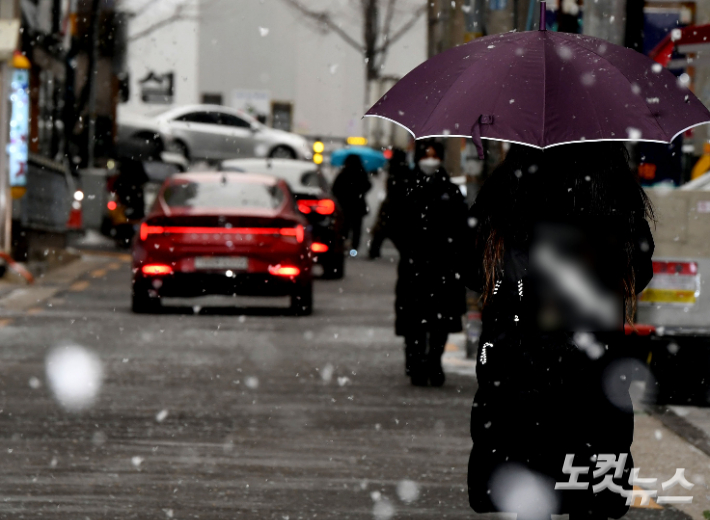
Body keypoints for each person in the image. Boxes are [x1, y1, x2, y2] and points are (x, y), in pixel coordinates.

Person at [465, 142, 655, 520]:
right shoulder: (613, 189)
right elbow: (639, 271)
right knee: (590, 483)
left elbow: (473, 271)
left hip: (518, 364)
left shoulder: (507, 188)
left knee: (526, 484)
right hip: (592, 366)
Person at [388, 141, 468, 386]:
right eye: (427, 155)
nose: (430, 160)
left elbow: (461, 226)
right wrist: (410, 248)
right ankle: (414, 363)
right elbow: (394, 222)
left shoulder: (450, 191)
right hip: (415, 266)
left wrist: (452, 251)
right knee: (414, 319)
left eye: (435, 156)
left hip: (443, 267)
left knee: (439, 320)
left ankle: (434, 361)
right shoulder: (405, 187)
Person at [368, 148, 409, 259]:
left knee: (384, 231)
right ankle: (374, 251)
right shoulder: (404, 169)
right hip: (398, 206)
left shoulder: (396, 169)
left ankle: (374, 252)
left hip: (393, 205)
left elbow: (393, 188)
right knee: (393, 232)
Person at [332, 154, 372, 256]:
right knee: (356, 228)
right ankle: (354, 248)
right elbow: (368, 185)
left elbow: (335, 189)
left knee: (344, 227)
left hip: (345, 205)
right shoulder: (362, 173)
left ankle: (343, 246)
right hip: (357, 205)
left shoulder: (343, 173)